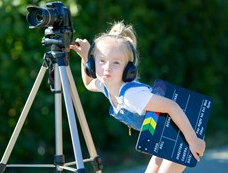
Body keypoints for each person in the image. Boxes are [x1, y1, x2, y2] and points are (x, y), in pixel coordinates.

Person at [70, 21, 205, 173]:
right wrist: (84, 57)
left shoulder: (131, 95)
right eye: (101, 61)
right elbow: (88, 84)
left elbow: (171, 106)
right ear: (93, 65)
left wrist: (193, 141)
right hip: (163, 135)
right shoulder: (105, 85)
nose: (107, 67)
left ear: (129, 69)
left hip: (184, 130)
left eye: (116, 63)